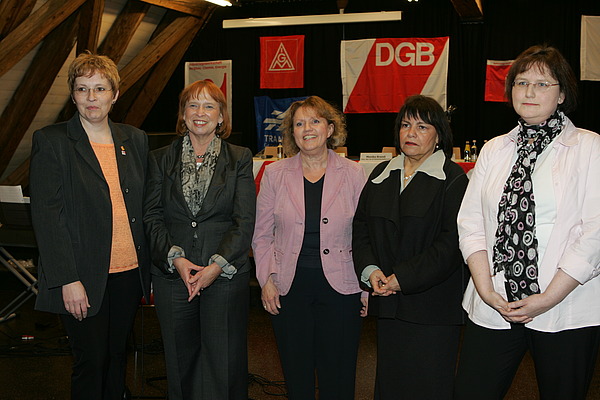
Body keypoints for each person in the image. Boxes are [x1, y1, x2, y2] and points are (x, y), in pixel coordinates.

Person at [455, 44, 600, 400]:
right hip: (495, 301)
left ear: (562, 94)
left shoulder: (589, 147)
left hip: (565, 304)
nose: (529, 92)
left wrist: (548, 298)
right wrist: (485, 289)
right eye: (521, 83)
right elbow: (471, 223)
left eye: (542, 84)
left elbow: (594, 233)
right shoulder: (495, 149)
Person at [30, 52, 151, 400]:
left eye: (100, 88)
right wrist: (66, 279)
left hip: (129, 272)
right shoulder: (52, 141)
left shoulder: (135, 139)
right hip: (81, 277)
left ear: (115, 94)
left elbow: (146, 206)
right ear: (73, 95)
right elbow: (48, 217)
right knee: (92, 361)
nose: (91, 97)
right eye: (83, 89)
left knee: (116, 358)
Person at [144, 80, 255, 400]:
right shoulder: (159, 158)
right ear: (183, 114)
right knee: (180, 360)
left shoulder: (239, 157)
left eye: (209, 105)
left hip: (225, 274)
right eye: (192, 105)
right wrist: (177, 260)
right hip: (173, 275)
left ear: (221, 116)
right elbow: (151, 215)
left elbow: (244, 219)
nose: (200, 112)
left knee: (225, 362)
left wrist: (215, 267)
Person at [352, 95, 468, 399]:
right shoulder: (381, 174)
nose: (411, 133)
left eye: (422, 126)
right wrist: (370, 270)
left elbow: (451, 244)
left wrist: (402, 278)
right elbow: (361, 228)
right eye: (405, 125)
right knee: (391, 384)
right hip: (388, 304)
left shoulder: (453, 179)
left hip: (433, 308)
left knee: (428, 387)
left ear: (439, 135)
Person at [252, 96, 368, 400]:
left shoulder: (354, 173)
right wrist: (266, 280)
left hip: (342, 287)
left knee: (338, 376)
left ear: (329, 129)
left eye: (315, 121)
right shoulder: (275, 174)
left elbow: (364, 234)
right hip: (289, 286)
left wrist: (365, 288)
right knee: (297, 374)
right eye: (299, 123)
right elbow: (261, 235)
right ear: (292, 132)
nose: (307, 129)